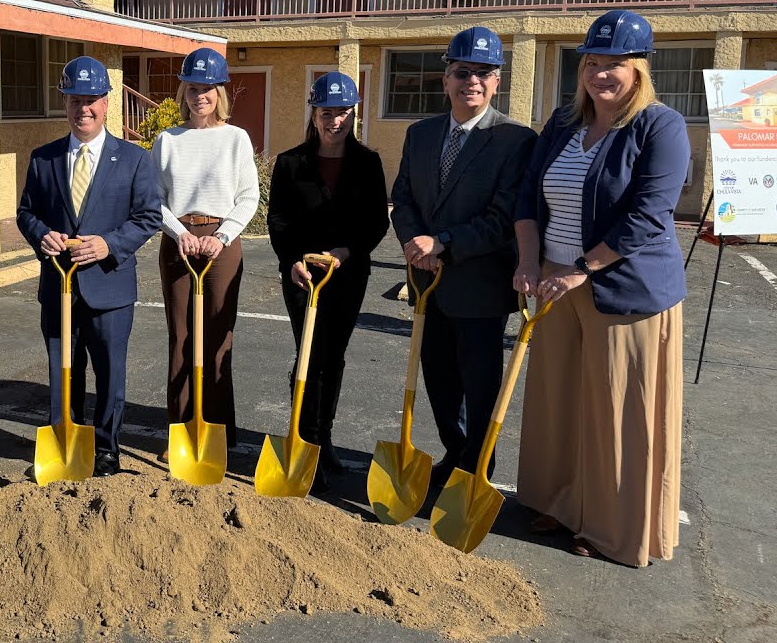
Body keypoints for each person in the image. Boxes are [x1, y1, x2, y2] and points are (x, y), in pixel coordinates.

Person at [512, 10, 689, 567]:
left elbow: (649, 214)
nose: (600, 74)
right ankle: (560, 504)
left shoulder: (660, 126)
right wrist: (528, 262)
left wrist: (582, 268)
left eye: (614, 63)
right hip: (555, 281)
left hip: (623, 289)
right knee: (559, 402)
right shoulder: (563, 122)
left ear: (639, 69)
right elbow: (527, 197)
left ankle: (612, 527)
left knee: (616, 411)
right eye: (592, 62)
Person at [390, 26, 537, 490]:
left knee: (479, 386)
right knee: (438, 380)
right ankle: (455, 453)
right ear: (446, 79)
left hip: (480, 286)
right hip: (427, 283)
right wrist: (416, 243)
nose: (471, 80)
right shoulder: (420, 134)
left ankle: (476, 470)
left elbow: (504, 217)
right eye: (462, 71)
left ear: (497, 82)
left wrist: (444, 243)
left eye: (483, 73)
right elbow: (403, 200)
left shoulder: (515, 140)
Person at [17, 56, 161, 477]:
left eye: (92, 100)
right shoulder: (43, 159)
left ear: (106, 103)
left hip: (109, 288)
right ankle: (67, 443)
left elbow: (148, 216)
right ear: (65, 102)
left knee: (110, 374)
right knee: (64, 371)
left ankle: (106, 450)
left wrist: (108, 244)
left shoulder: (134, 159)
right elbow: (27, 213)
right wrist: (41, 235)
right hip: (58, 287)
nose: (84, 108)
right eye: (75, 99)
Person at [267, 72, 389, 492]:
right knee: (309, 354)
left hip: (347, 274)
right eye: (325, 113)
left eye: (342, 113)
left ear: (352, 114)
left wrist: (347, 251)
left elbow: (376, 221)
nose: (334, 121)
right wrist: (291, 262)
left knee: (333, 356)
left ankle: (325, 435)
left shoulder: (368, 163)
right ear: (314, 113)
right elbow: (278, 220)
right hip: (302, 276)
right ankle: (304, 440)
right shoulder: (290, 163)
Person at [152, 47, 259, 456]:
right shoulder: (168, 140)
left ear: (220, 93)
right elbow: (154, 199)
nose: (200, 96)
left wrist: (223, 235)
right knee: (181, 337)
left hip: (221, 243)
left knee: (218, 339)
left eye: (208, 89)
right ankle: (180, 431)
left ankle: (218, 434)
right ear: (184, 91)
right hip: (178, 241)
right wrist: (179, 231)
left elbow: (248, 197)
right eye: (193, 88)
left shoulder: (235, 138)